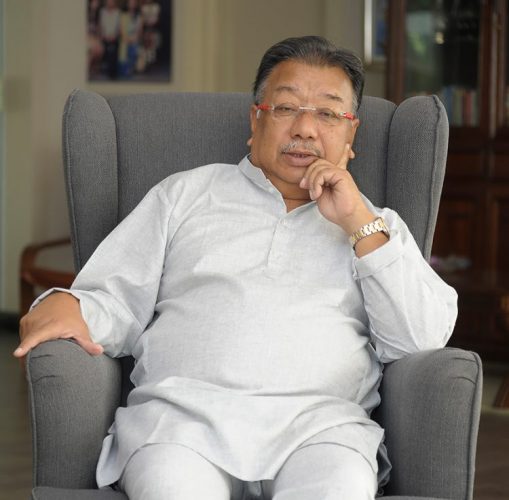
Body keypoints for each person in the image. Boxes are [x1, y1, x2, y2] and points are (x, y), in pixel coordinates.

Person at [15, 36, 457, 500]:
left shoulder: (376, 226)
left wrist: (357, 223)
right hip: (181, 424)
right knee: (173, 487)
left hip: (323, 431)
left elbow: (418, 339)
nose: (306, 129)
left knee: (339, 487)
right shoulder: (184, 195)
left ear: (351, 135)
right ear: (255, 119)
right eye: (286, 108)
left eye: (328, 114)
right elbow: (114, 299)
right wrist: (69, 307)